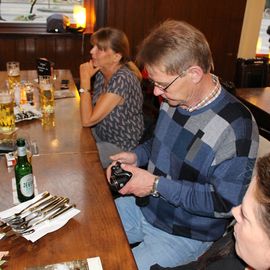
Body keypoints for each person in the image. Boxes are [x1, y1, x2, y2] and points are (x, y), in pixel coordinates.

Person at [106, 20, 259, 269]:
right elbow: (159, 142)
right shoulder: (173, 97)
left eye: (161, 84)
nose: (156, 93)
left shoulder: (236, 126)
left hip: (186, 234)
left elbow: (224, 204)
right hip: (145, 208)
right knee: (90, 229)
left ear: (194, 74)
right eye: (153, 83)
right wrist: (136, 157)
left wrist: (156, 185)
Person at [151, 153, 270, 270]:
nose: (234, 211)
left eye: (245, 215)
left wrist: (157, 184)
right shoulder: (233, 245)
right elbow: (198, 266)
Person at [79, 27, 144, 168]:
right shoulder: (102, 73)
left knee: (80, 161)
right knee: (71, 141)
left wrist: (84, 82)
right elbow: (92, 112)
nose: (91, 52)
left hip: (121, 145)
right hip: (101, 134)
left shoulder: (123, 79)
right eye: (93, 46)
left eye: (100, 49)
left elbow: (87, 120)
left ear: (117, 56)